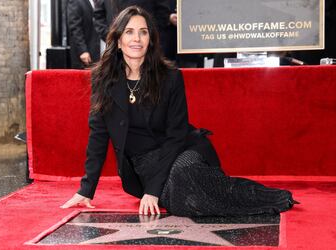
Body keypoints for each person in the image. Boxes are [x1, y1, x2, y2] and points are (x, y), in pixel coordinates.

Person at [61, 6, 297, 217]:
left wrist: (153, 191)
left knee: (185, 179)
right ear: (118, 39)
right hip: (143, 167)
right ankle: (245, 195)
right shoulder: (103, 80)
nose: (137, 38)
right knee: (186, 203)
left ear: (151, 40)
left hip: (180, 151)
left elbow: (176, 136)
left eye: (143, 32)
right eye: (130, 31)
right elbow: (98, 136)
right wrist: (86, 190)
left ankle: (267, 198)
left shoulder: (171, 77)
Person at [93, 0, 171, 59]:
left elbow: (163, 14)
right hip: (116, 50)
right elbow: (99, 17)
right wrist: (113, 37)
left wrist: (148, 35)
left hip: (148, 49)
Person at [67, 0, 100, 69]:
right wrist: (83, 51)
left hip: (99, 51)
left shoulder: (100, 2)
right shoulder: (75, 2)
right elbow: (75, 28)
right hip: (86, 54)